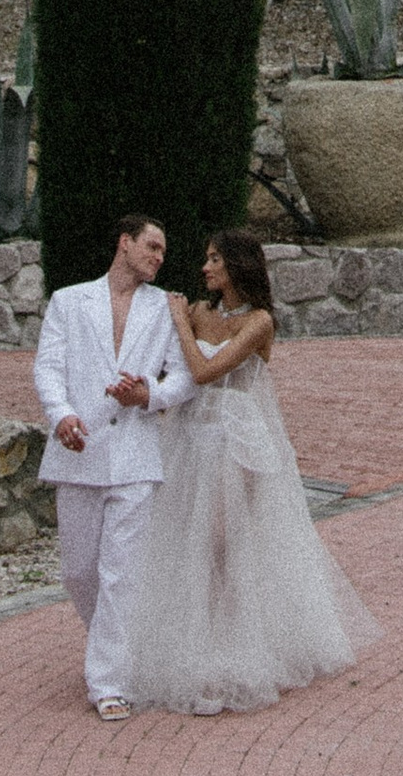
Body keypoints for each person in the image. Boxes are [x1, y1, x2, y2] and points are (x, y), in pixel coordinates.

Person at [117, 227, 380, 714]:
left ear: (237, 265)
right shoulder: (198, 312)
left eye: (215, 259)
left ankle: (234, 654)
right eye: (206, 258)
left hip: (241, 439)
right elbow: (171, 370)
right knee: (189, 540)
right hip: (193, 436)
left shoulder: (258, 322)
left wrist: (180, 322)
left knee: (224, 539)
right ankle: (193, 651)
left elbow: (202, 372)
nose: (205, 267)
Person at [32, 208, 198, 719]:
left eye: (163, 251)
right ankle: (115, 648)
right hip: (78, 451)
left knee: (120, 574)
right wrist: (61, 416)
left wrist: (147, 395)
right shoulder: (68, 300)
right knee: (80, 573)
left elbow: (183, 378)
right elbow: (48, 368)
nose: (159, 257)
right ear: (124, 243)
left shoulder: (165, 309)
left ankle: (108, 682)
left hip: (135, 455)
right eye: (152, 246)